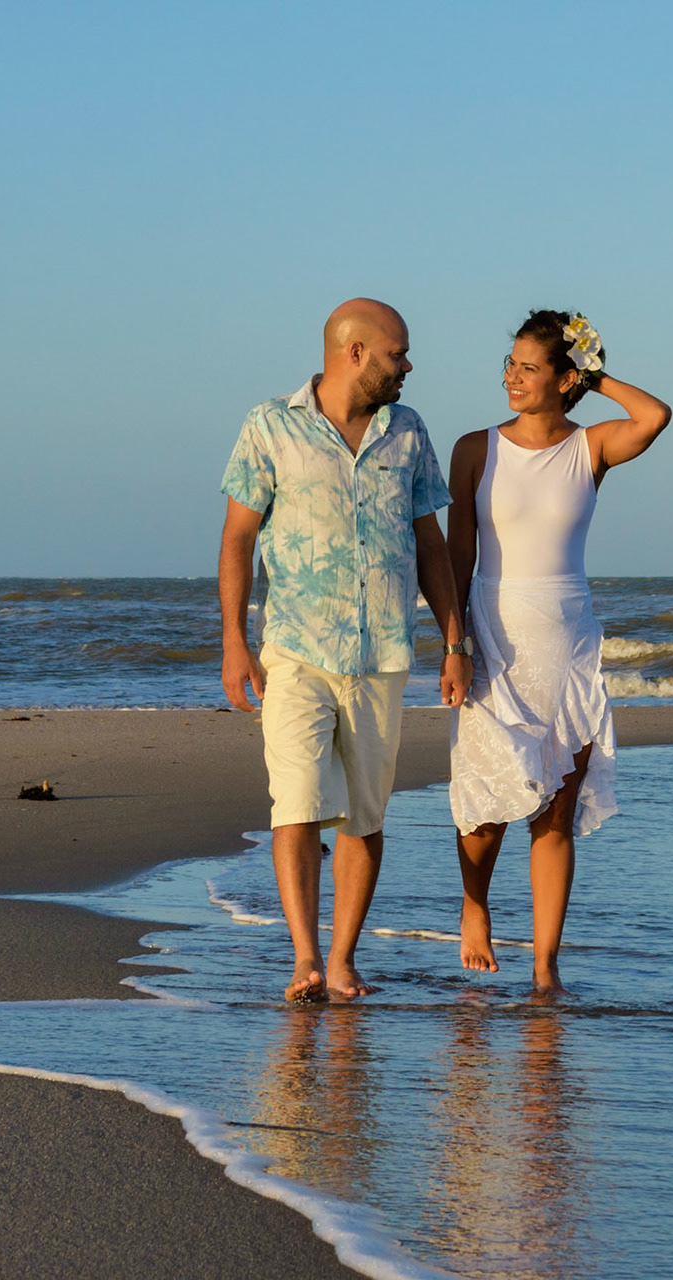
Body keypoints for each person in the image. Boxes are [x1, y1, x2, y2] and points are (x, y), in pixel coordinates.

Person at [219, 298, 472, 1003]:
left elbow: (430, 545)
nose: (409, 365)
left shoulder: (408, 431)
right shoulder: (271, 426)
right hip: (294, 651)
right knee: (294, 804)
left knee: (364, 815)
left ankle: (341, 961)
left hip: (382, 652)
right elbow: (239, 537)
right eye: (398, 352)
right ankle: (303, 959)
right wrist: (236, 641)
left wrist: (455, 642)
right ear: (354, 351)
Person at [448, 310, 671, 994]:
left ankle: (546, 966)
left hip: (568, 637)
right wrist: (453, 642)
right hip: (494, 628)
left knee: (556, 809)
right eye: (509, 363)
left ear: (564, 378)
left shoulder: (590, 448)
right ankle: (475, 904)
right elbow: (459, 552)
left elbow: (655, 415)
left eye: (528, 367)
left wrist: (596, 378)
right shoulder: (475, 448)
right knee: (486, 802)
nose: (510, 377)